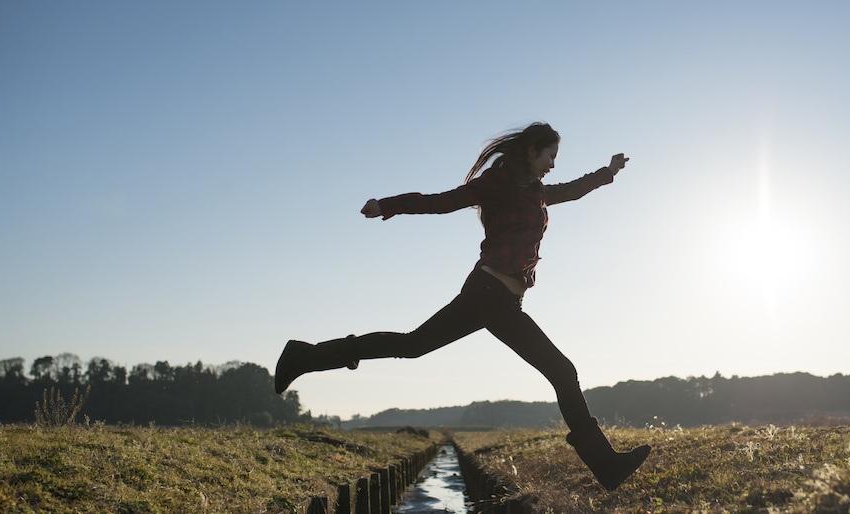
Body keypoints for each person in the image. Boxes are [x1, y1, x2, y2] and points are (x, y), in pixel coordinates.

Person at [275, 122, 651, 490]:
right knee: (562, 371)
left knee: (412, 345)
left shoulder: (535, 191)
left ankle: (304, 357)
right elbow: (441, 202)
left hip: (497, 299)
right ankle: (606, 465)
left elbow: (571, 190)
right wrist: (388, 205)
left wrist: (608, 172)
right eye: (550, 155)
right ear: (531, 151)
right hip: (490, 295)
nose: (553, 164)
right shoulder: (496, 184)